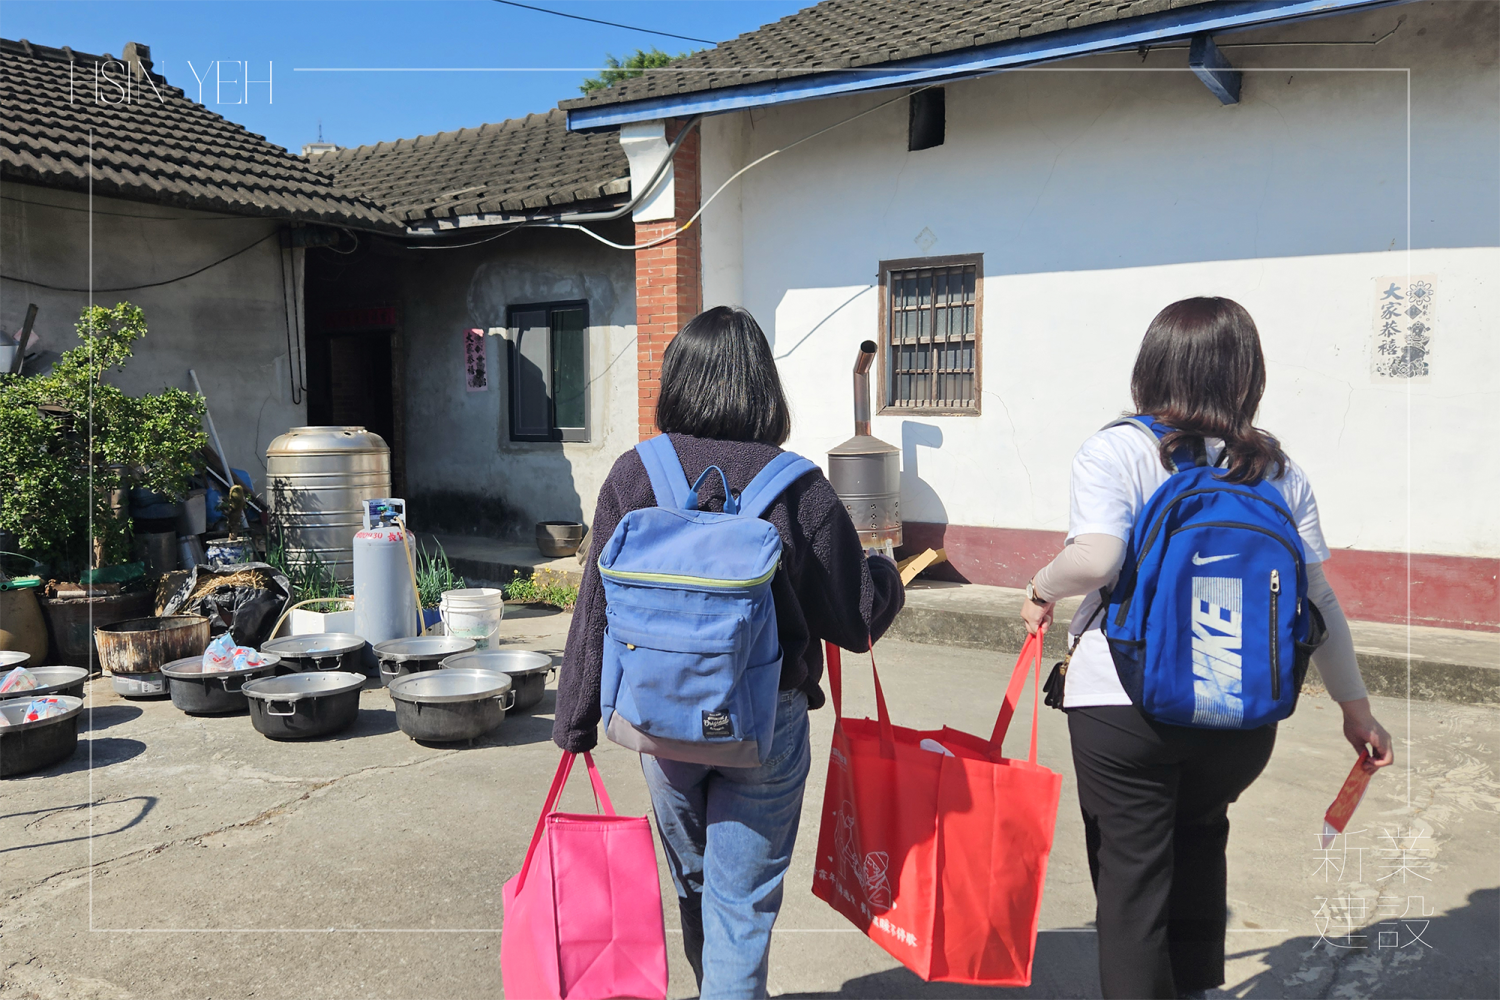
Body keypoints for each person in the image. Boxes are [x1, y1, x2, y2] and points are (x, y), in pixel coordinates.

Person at [1019, 297, 1394, 1000]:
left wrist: (1040, 588)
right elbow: (1318, 600)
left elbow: (1096, 558)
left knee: (1133, 879)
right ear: (1247, 374)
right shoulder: (1276, 468)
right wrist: (1355, 708)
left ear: (1152, 365)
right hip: (1239, 711)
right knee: (1199, 844)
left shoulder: (1118, 449)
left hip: (1123, 705)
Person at [554, 305, 905, 1000]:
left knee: (695, 885)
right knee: (739, 909)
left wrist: (575, 721)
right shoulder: (799, 487)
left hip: (658, 720)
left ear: (677, 382)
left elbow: (594, 607)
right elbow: (855, 619)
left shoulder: (634, 475)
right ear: (763, 387)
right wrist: (883, 573)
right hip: (764, 722)